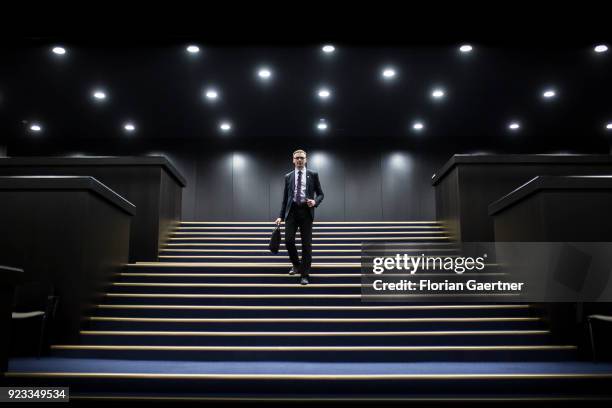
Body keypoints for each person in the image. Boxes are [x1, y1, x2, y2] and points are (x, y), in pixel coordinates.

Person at [275, 149, 324, 285]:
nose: (299, 160)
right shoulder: (288, 176)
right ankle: (296, 264)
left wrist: (315, 202)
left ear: (306, 159)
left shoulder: (313, 175)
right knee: (288, 241)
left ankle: (305, 275)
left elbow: (320, 194)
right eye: (297, 158)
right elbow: (285, 198)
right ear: (293, 160)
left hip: (306, 212)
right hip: (291, 212)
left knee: (306, 245)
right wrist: (280, 216)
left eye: (302, 158)